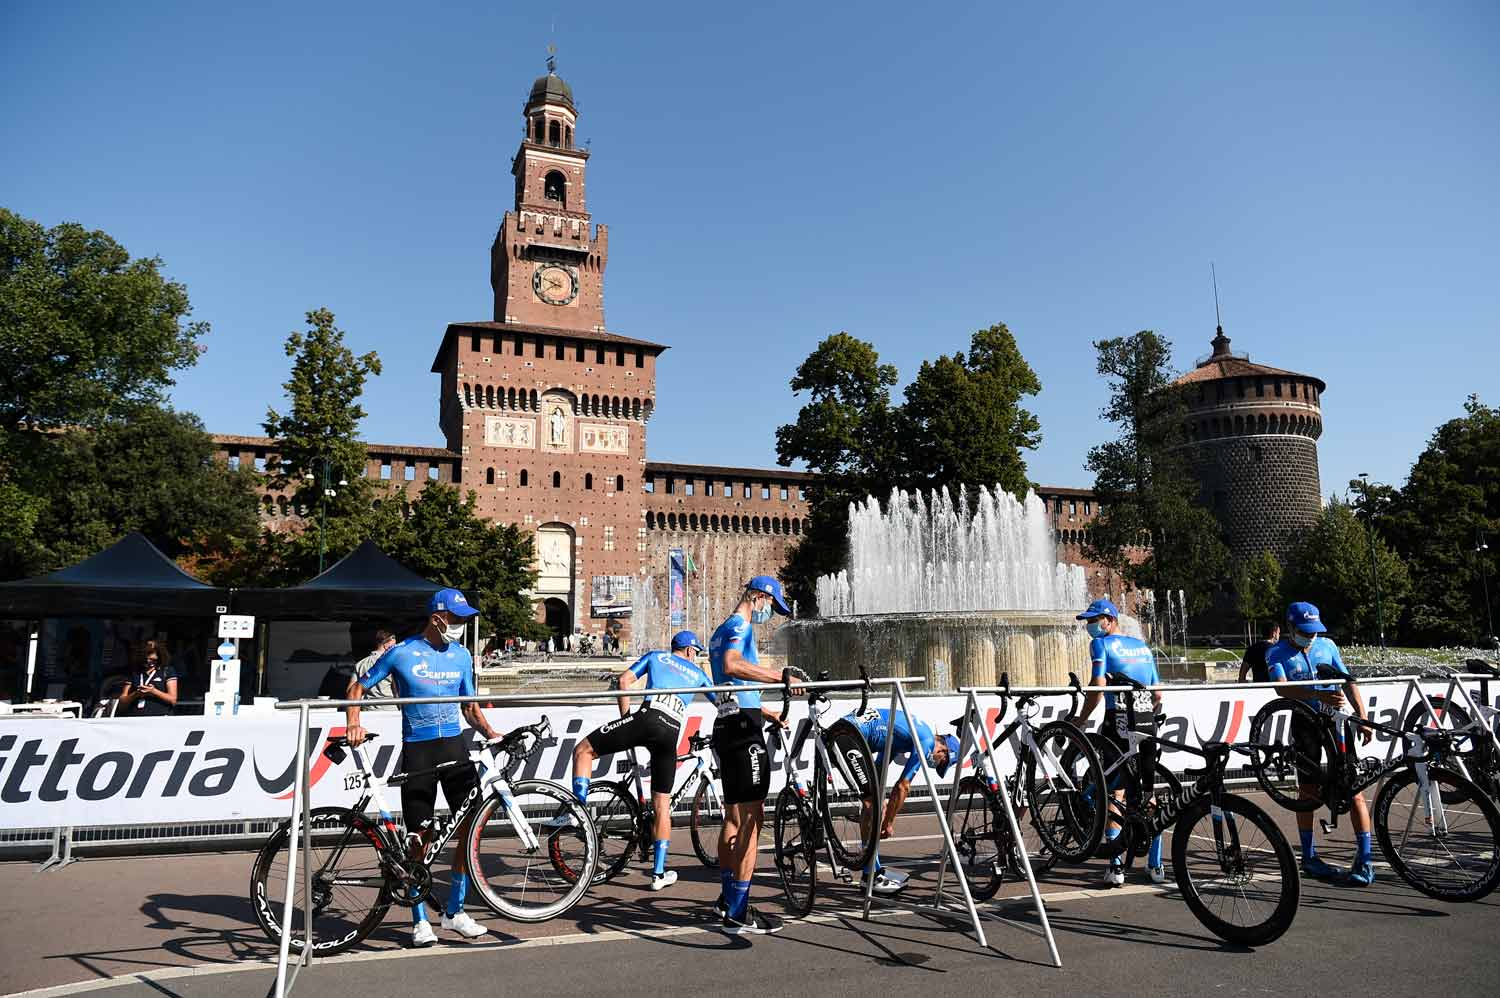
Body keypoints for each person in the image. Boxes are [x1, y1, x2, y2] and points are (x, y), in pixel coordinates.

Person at [345, 589, 502, 946]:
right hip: (419, 749)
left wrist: (491, 733)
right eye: (457, 618)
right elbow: (356, 689)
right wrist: (352, 723)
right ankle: (419, 920)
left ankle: (455, 911)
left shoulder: (462, 655)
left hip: (454, 745)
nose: (462, 625)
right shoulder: (401, 653)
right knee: (420, 836)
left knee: (469, 827)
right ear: (437, 618)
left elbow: (469, 706)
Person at [562, 631, 717, 891]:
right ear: (690, 651)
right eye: (697, 653)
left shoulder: (656, 657)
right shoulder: (699, 675)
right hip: (670, 734)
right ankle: (658, 873)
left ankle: (578, 813)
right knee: (662, 806)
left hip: (646, 719)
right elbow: (723, 702)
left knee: (583, 751)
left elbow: (623, 681)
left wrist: (626, 719)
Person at [708, 575, 798, 934]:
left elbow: (730, 688)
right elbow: (732, 665)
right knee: (753, 819)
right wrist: (778, 677)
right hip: (743, 733)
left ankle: (727, 899)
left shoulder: (718, 630)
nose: (770, 614)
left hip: (729, 722)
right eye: (770, 606)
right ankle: (740, 911)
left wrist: (767, 712)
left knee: (733, 818)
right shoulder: (739, 626)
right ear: (759, 597)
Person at [1265, 601, 1375, 886]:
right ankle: (1309, 857)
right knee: (1308, 791)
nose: (1311, 636)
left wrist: (1362, 716)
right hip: (1305, 723)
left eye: (1314, 631)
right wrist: (1319, 695)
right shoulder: (1276, 651)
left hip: (1336, 721)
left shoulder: (1328, 646)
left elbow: (1348, 681)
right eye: (1304, 631)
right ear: (1290, 628)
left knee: (1354, 789)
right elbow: (1281, 687)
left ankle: (1365, 859)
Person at [1069, 598, 1165, 887]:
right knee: (1148, 790)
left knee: (1116, 792)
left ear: (1109, 620)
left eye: (1093, 620)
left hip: (1117, 719)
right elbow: (1158, 694)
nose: (1089, 626)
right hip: (1146, 718)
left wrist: (1082, 718)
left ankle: (1116, 867)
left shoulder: (1101, 645)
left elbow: (1098, 687)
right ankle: (1156, 865)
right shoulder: (1142, 647)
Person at [840, 706, 958, 895]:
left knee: (874, 802)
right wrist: (888, 823)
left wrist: (881, 804)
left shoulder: (907, 736)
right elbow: (903, 786)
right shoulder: (926, 739)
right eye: (940, 762)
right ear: (943, 748)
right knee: (874, 805)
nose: (935, 763)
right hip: (847, 736)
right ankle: (869, 875)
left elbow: (878, 770)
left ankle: (871, 869)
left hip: (849, 733)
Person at [119, 641, 178, 717]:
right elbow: (122, 701)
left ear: (159, 657)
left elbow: (173, 699)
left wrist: (153, 691)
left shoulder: (167, 671)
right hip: (135, 718)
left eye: (153, 659)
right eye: (146, 659)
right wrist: (136, 694)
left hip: (160, 717)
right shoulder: (134, 672)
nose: (149, 662)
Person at [353, 629, 398, 704]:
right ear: (386, 645)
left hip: (367, 709)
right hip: (389, 709)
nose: (395, 649)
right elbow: (396, 691)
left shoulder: (359, 664)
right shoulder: (392, 663)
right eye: (394, 646)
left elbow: (351, 690)